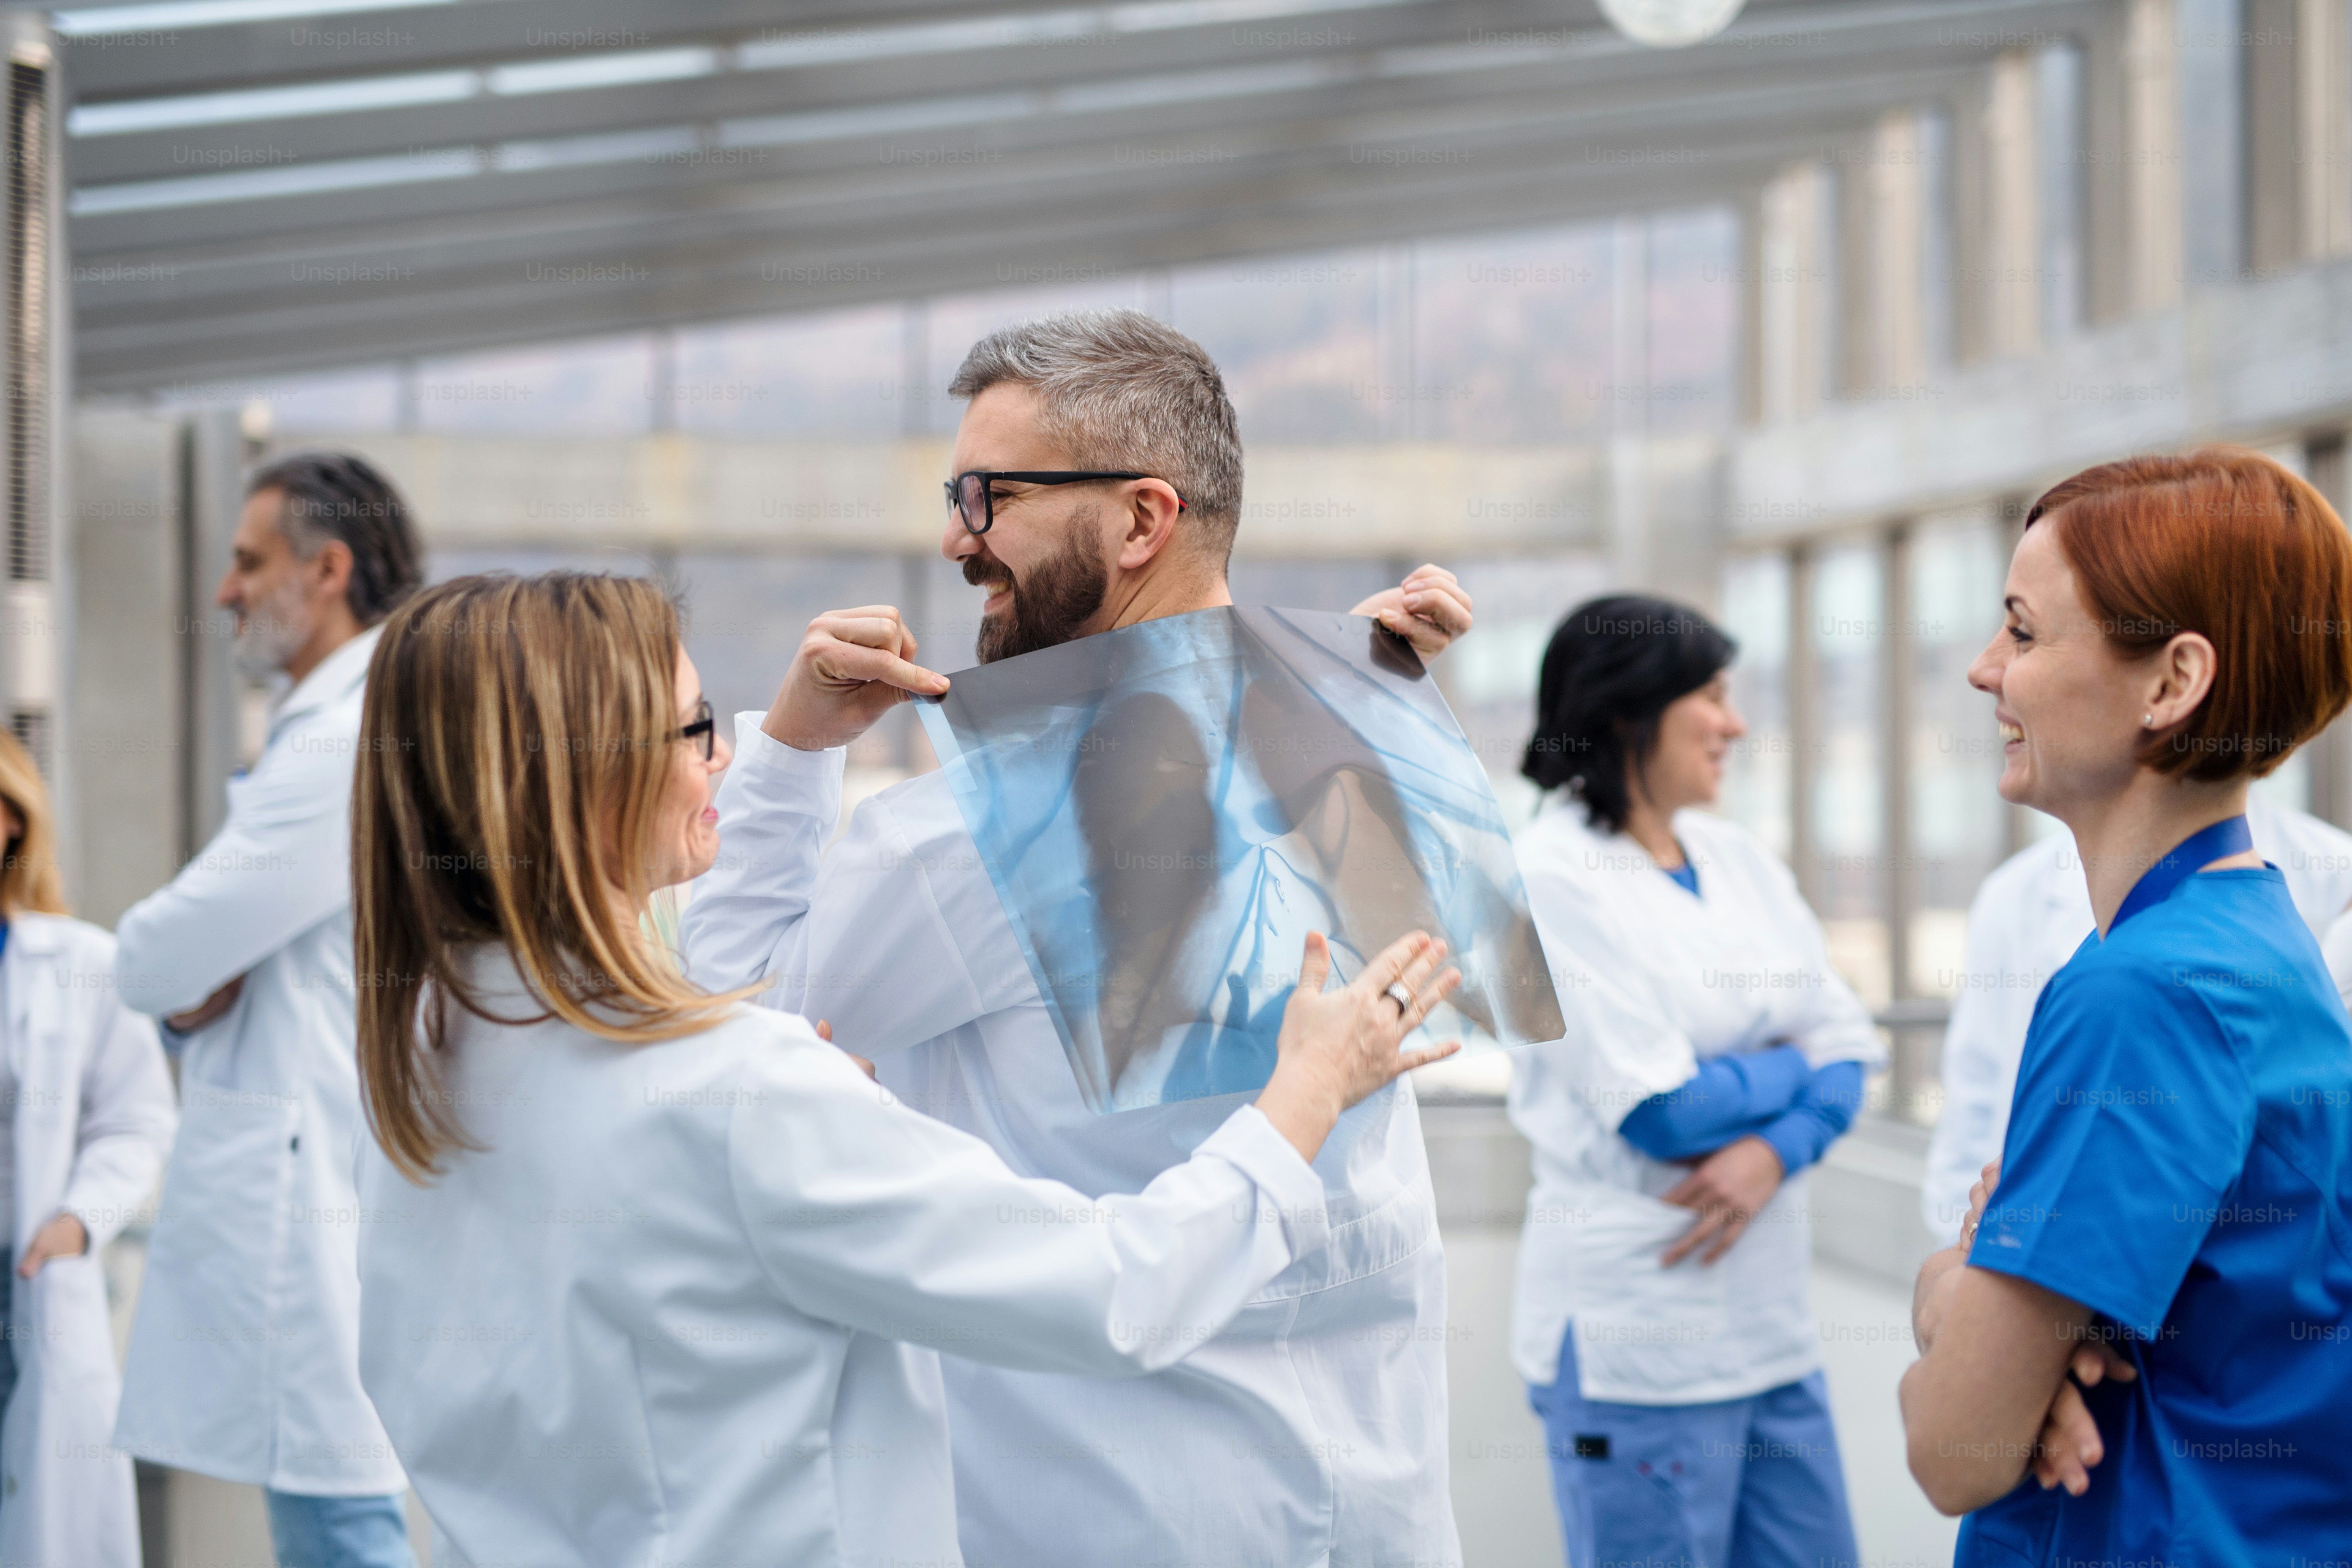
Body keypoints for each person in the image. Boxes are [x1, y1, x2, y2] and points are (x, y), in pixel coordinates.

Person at [346, 571, 1461, 1567]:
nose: (723, 754)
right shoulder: (742, 1095)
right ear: (585, 783)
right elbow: (1117, 1293)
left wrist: (1267, 693)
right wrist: (1308, 1092)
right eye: (695, 729)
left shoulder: (423, 1065)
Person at [680, 309, 1478, 1567]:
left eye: (988, 496)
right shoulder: (1363, 743)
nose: (955, 537)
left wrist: (784, 762)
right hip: (1376, 1498)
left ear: (1141, 519)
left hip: (1119, 1513)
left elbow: (716, 1049)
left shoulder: (964, 842)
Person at [1903, 448, 2352, 1560]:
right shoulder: (2258, 939)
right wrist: (1992, 1324)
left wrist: (1966, 1284)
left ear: (2172, 683)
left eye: (2021, 630)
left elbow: (1952, 1451)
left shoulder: (2139, 995)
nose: (1982, 671)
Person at [1504, 594, 1881, 1566]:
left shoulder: (1733, 856)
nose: (1735, 723)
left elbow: (1852, 1042)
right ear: (1632, 712)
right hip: (1638, 1336)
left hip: (1769, 1327)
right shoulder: (1553, 876)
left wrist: (1771, 1150)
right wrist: (1793, 1066)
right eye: (1709, 696)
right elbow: (1663, 1112)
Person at [112, 453, 425, 1568]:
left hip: (320, 1179)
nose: (224, 592)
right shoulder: (347, 722)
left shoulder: (347, 740)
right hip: (332, 1161)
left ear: (329, 568)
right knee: (336, 1509)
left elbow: (152, 957)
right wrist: (191, 996)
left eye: (248, 562)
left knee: (339, 1520)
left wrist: (178, 988)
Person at [1923, 791, 2352, 1241]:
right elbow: (1975, 1091)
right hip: (2033, 1238)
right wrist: (1972, 1244)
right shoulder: (2019, 893)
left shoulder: (2332, 878)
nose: (2006, 719)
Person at [0, 731, 175, 1568]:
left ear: (12, 821)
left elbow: (138, 1120)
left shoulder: (83, 961)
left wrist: (73, 1222)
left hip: (28, 1281)